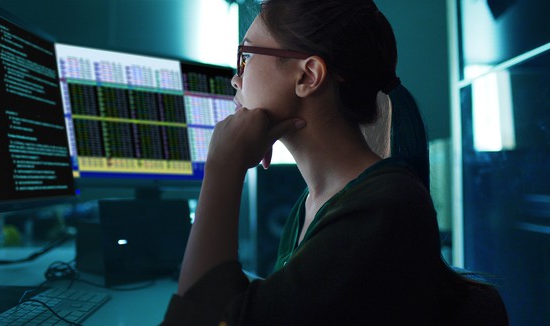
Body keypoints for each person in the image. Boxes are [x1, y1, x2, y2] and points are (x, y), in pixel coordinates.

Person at [162, 0, 508, 325]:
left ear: (308, 76)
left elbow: (200, 319)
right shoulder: (313, 202)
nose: (236, 78)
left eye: (246, 57)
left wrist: (223, 165)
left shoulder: (384, 208)